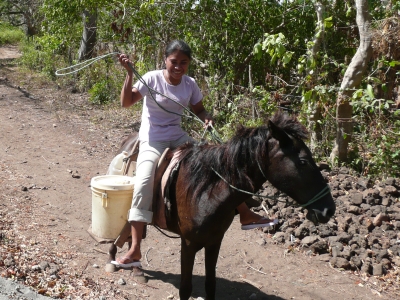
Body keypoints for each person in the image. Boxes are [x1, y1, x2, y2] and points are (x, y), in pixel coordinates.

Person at [114, 40, 274, 267]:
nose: (178, 67)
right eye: (174, 62)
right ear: (165, 60)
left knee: (218, 163)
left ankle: (245, 213)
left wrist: (206, 119)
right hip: (153, 139)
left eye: (183, 62)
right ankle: (135, 249)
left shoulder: (190, 84)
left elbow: (199, 109)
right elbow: (126, 102)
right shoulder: (151, 78)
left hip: (178, 136)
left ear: (189, 64)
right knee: (144, 182)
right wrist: (129, 74)